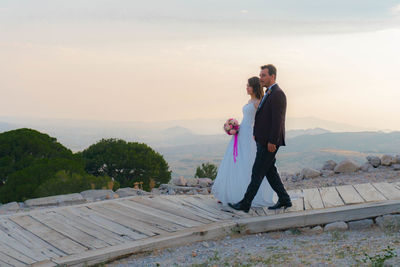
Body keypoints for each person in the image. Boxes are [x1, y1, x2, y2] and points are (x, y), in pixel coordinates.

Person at [229, 64, 291, 212]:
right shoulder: (268, 93)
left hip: (269, 142)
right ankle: (285, 199)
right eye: (261, 75)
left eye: (263, 75)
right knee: (270, 171)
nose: (261, 78)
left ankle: (245, 204)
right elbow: (262, 117)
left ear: (272, 76)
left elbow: (278, 120)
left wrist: (272, 141)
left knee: (257, 172)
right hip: (261, 140)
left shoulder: (278, 94)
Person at [212, 77, 274, 207]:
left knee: (248, 162)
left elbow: (262, 121)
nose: (246, 87)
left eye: (248, 86)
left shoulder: (258, 102)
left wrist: (258, 134)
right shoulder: (250, 100)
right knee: (235, 163)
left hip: (250, 135)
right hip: (241, 132)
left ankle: (245, 196)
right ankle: (230, 194)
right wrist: (234, 127)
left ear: (254, 87)